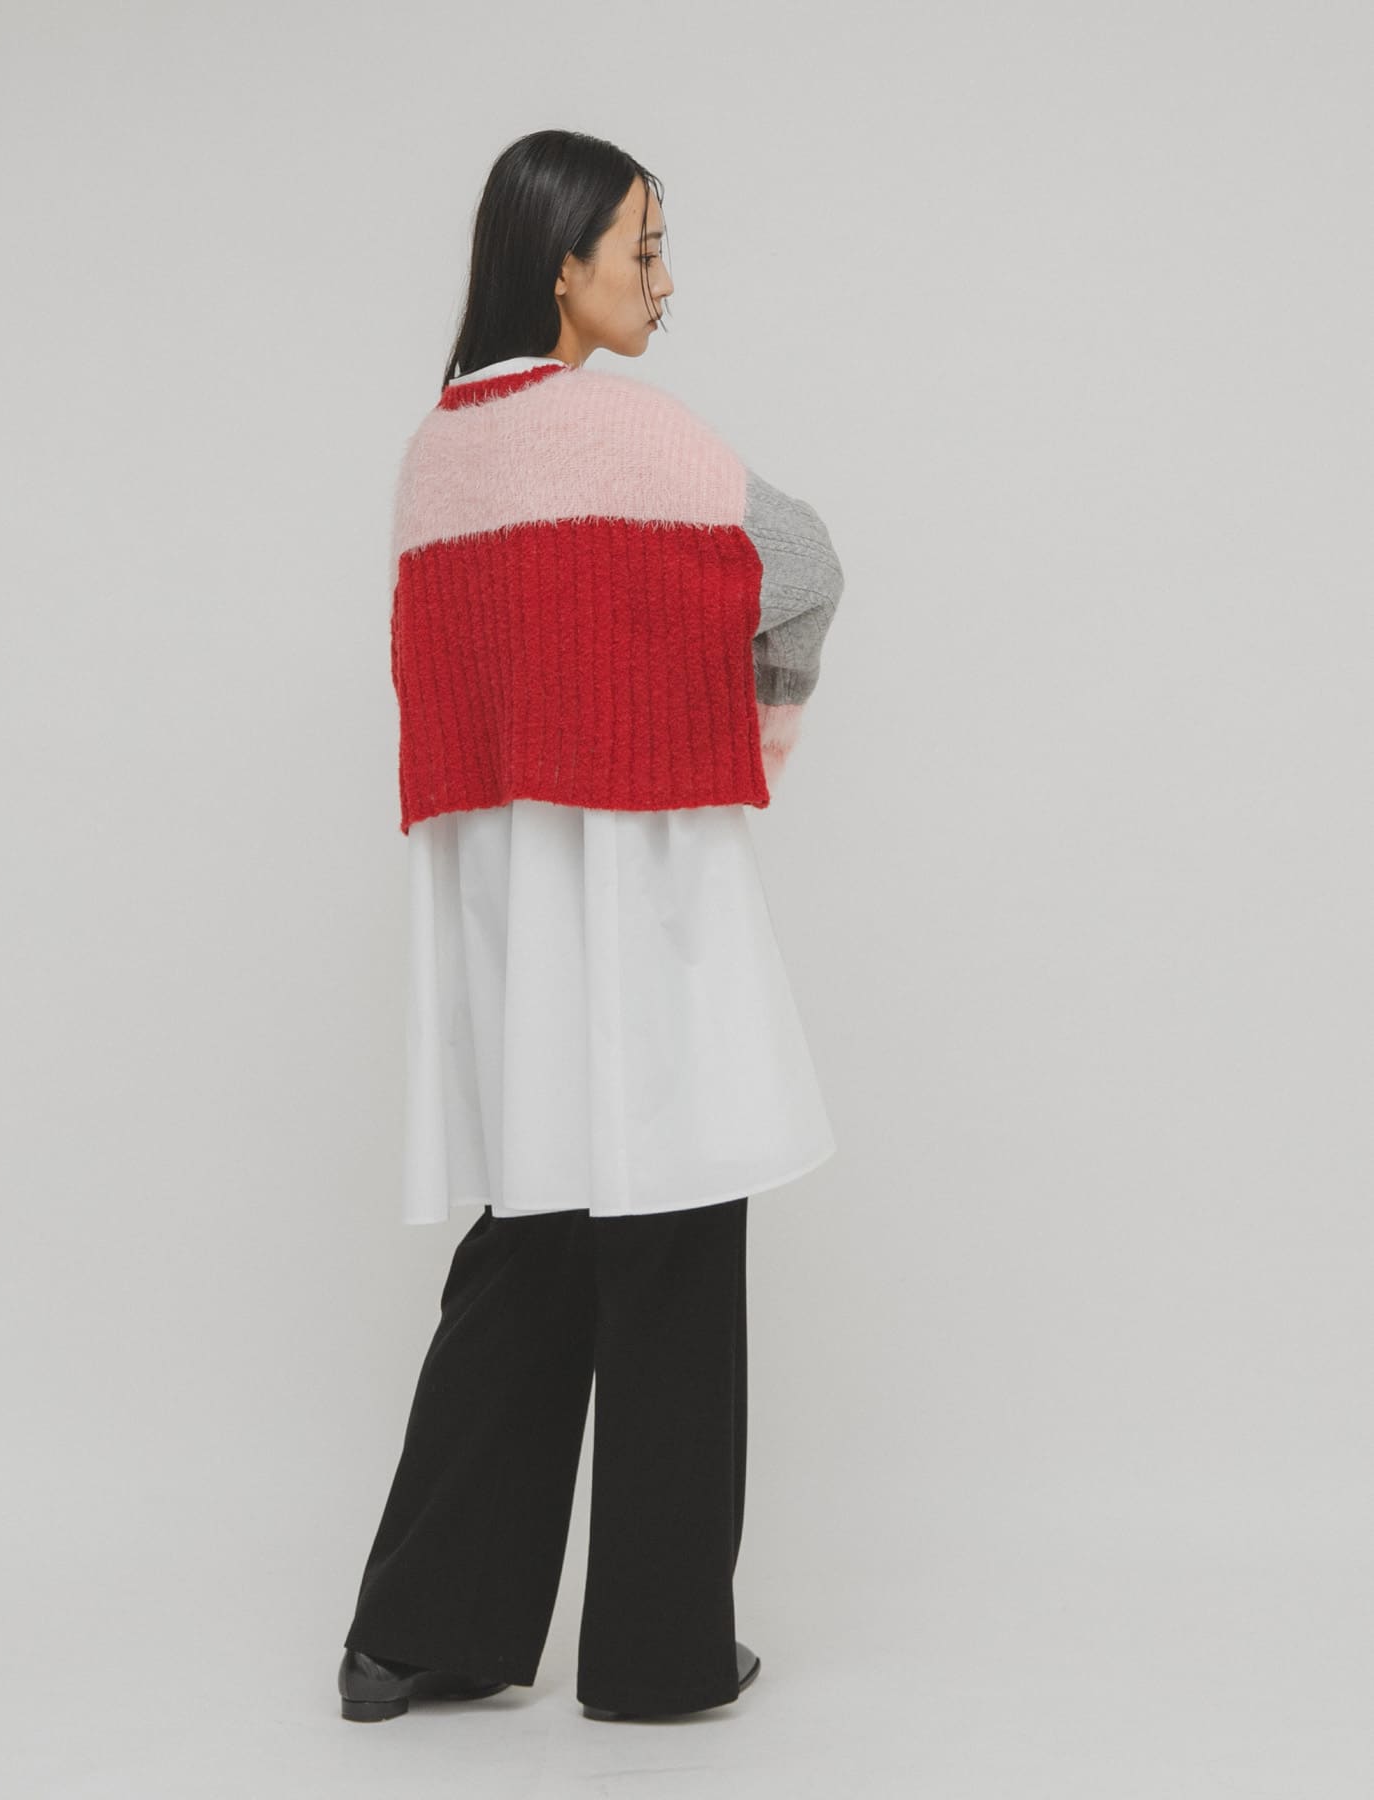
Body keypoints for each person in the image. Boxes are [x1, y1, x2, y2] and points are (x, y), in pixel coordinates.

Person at [338, 128, 845, 1725]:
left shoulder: (434, 457)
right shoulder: (643, 437)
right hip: (645, 896)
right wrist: (753, 718)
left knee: (531, 1244)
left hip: (509, 923)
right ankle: (657, 1656)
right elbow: (807, 563)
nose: (664, 280)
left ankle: (418, 1633)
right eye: (645, 246)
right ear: (563, 266)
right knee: (676, 1239)